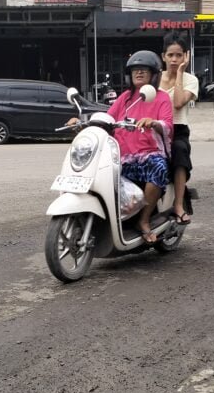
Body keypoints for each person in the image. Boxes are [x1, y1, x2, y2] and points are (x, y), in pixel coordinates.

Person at [68, 50, 173, 242]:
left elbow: (167, 124)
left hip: (149, 155)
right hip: (122, 156)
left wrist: (154, 123)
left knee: (159, 168)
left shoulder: (161, 97)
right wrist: (81, 122)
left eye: (144, 70)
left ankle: (144, 220)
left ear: (154, 75)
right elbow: (107, 119)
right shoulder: (125, 97)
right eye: (135, 70)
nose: (138, 73)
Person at [158, 31, 199, 224]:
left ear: (185, 56)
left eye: (179, 55)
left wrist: (180, 73)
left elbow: (178, 103)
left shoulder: (191, 80)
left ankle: (178, 205)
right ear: (163, 56)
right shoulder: (154, 78)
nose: (174, 59)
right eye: (170, 55)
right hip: (155, 129)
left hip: (177, 130)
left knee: (180, 151)